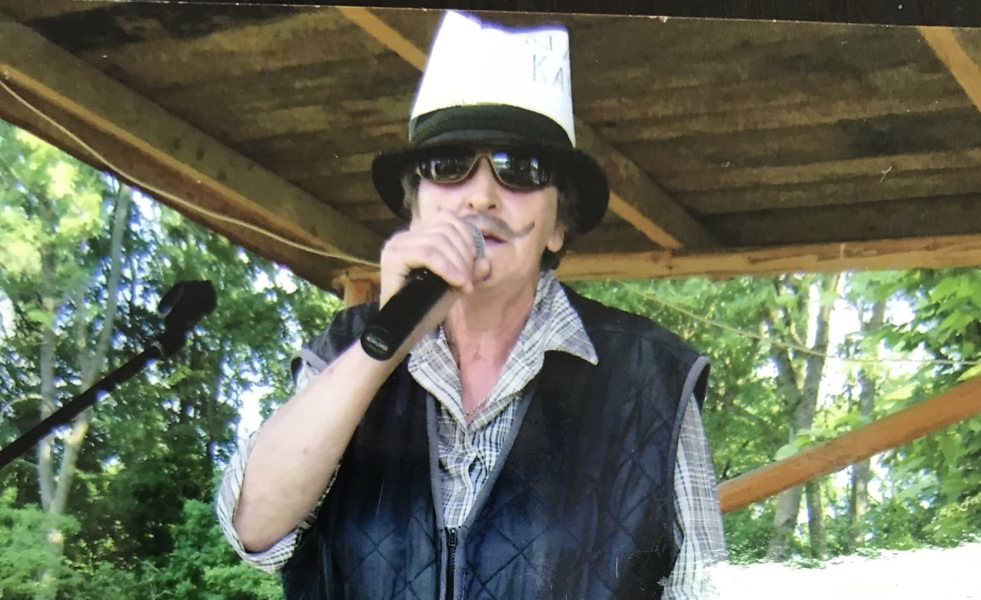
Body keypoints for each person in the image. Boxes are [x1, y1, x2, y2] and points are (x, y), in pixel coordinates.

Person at [217, 11, 726, 599]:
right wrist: (384, 344)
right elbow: (253, 528)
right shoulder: (343, 352)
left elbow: (703, 587)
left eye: (521, 170)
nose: (482, 195)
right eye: (448, 166)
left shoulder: (652, 377)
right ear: (416, 207)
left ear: (557, 226)